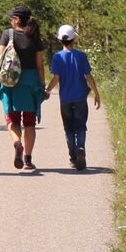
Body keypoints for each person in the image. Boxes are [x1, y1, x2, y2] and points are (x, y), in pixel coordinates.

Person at [0, 5, 49, 170]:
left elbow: (0, 57)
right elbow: (40, 65)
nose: (11, 20)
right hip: (31, 81)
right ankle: (27, 159)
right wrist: (42, 84)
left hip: (12, 82)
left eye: (12, 18)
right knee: (30, 122)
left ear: (17, 20)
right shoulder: (35, 37)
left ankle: (17, 143)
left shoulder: (8, 34)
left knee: (12, 119)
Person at [46, 23, 102, 170]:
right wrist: (96, 93)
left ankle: (73, 157)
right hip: (80, 98)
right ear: (74, 39)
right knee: (81, 126)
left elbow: (56, 78)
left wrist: (47, 91)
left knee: (68, 128)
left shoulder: (57, 57)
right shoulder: (81, 56)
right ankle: (81, 148)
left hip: (65, 98)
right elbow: (88, 76)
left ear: (60, 40)